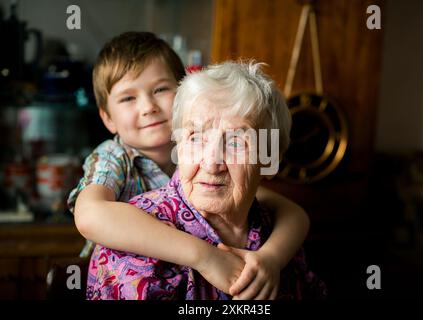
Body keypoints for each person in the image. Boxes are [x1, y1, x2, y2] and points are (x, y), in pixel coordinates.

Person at [68, 32, 311, 299]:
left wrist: (272, 257)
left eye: (160, 90)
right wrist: (204, 256)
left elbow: (289, 211)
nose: (148, 107)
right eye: (196, 138)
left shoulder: (245, 201)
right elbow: (90, 215)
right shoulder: (114, 157)